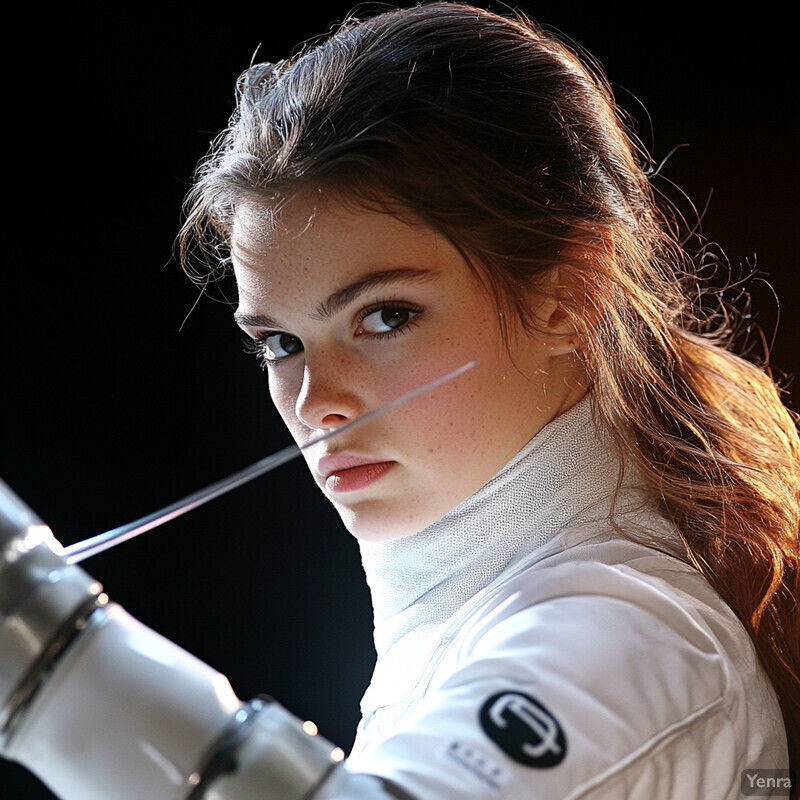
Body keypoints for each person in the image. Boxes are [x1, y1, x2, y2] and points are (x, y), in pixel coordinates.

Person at [181, 1, 796, 797]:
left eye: (385, 316)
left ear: (570, 294)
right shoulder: (505, 618)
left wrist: (51, 652)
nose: (315, 403)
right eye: (279, 344)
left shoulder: (629, 635)